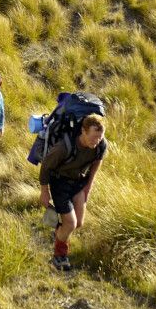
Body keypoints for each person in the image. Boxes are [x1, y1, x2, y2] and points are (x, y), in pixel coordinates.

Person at [39, 114, 107, 270]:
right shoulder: (64, 147)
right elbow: (46, 167)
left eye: (99, 138)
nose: (96, 142)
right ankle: (59, 257)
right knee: (71, 223)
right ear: (83, 131)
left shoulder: (101, 145)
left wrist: (88, 186)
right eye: (93, 137)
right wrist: (44, 191)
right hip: (60, 183)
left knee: (78, 223)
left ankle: (59, 232)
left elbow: (97, 162)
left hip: (79, 184)